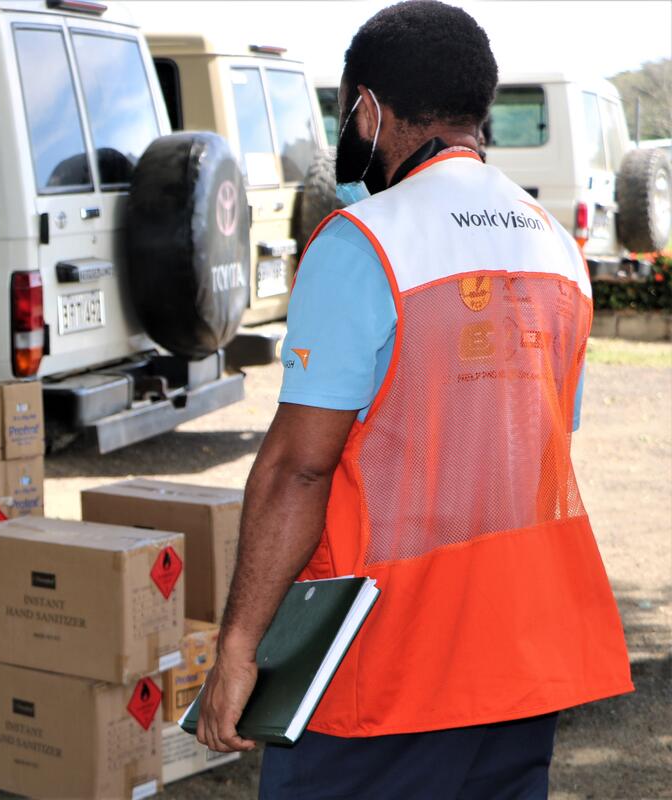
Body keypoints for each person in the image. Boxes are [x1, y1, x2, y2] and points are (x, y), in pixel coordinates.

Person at [193, 2, 634, 797]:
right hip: (521, 654)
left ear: (366, 110)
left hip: (384, 666)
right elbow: (532, 448)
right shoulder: (556, 245)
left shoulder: (363, 241)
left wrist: (238, 647)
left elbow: (298, 468)